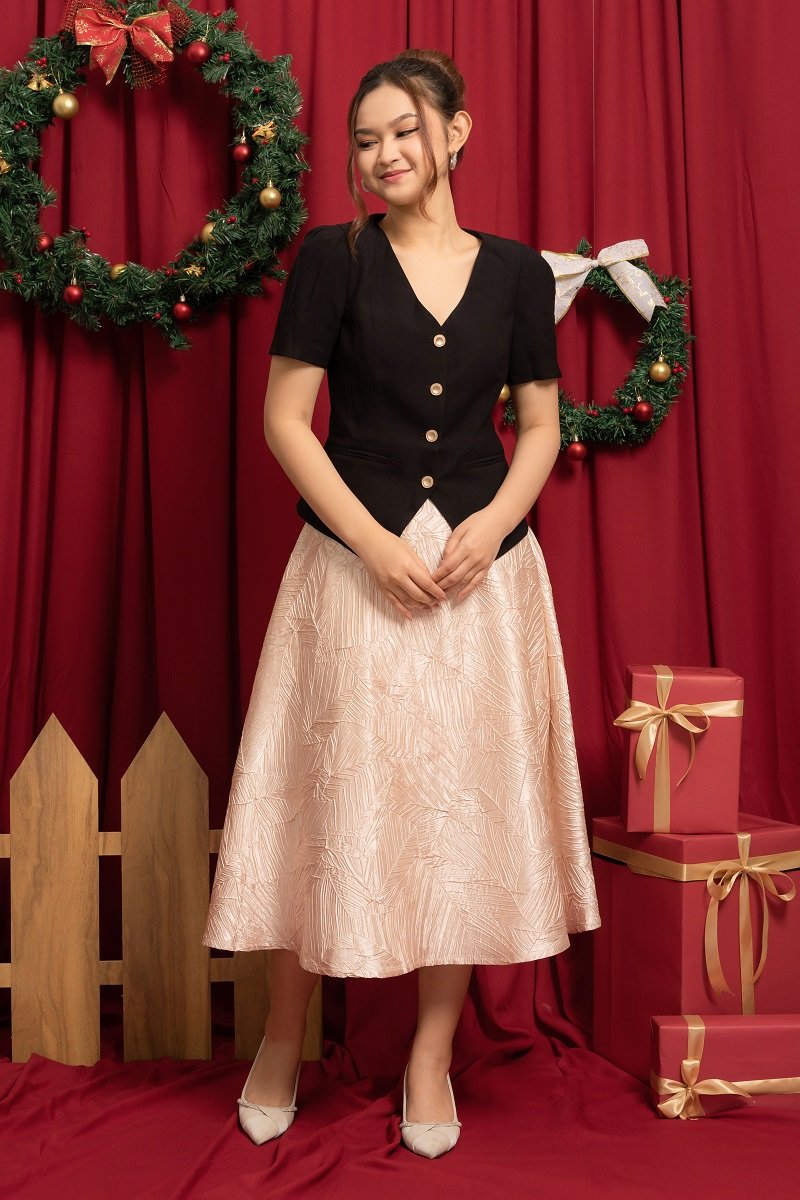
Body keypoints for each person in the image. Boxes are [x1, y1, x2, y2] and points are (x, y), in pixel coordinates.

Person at [202, 48, 600, 1159]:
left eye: (404, 131)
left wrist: (498, 520)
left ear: (454, 132)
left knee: (454, 813)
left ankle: (430, 1055)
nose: (384, 154)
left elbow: (538, 424)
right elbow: (286, 421)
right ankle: (283, 1035)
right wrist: (372, 544)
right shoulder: (331, 261)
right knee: (319, 804)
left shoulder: (517, 274)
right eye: (366, 139)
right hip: (352, 565)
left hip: (480, 572)